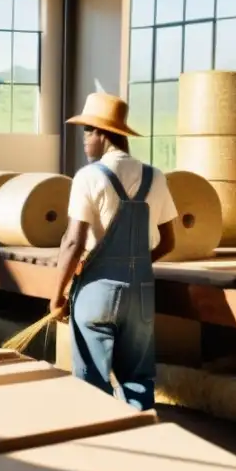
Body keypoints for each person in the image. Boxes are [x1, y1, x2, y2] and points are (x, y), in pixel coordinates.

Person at [50, 93, 178, 411]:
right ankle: (142, 439)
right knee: (138, 380)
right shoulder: (156, 177)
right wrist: (137, 267)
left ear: (101, 133)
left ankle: (99, 447)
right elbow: (168, 241)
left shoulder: (88, 177)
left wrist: (57, 295)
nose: (83, 141)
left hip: (97, 291)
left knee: (91, 383)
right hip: (141, 295)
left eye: (85, 132)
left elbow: (73, 242)